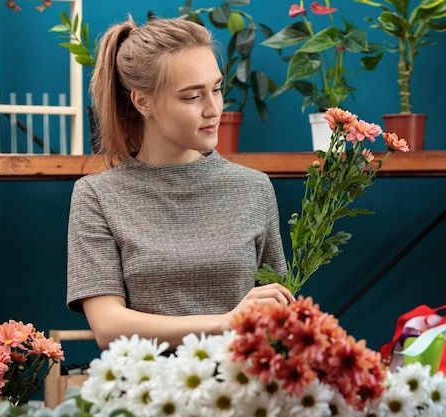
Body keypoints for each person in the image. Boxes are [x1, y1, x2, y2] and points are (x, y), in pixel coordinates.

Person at [66, 15, 294, 350]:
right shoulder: (97, 196)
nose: (213, 109)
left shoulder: (254, 188)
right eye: (192, 97)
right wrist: (226, 322)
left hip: (244, 389)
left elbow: (278, 308)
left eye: (216, 89)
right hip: (144, 393)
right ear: (142, 101)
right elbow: (108, 327)